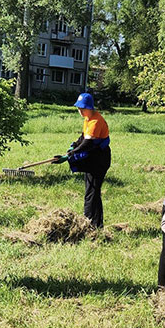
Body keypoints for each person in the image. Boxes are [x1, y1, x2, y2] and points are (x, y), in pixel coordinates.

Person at [53, 92, 110, 228]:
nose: (79, 110)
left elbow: (88, 144)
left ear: (89, 107)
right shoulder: (88, 119)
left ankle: (88, 224)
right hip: (94, 157)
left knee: (91, 193)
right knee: (92, 192)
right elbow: (83, 137)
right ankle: (97, 224)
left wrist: (70, 155)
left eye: (82, 108)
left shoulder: (96, 121)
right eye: (78, 108)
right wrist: (73, 145)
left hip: (100, 159)